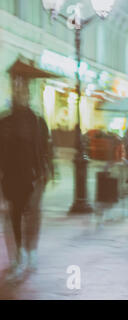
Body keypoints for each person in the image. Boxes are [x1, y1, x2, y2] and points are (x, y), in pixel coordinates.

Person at [0, 69, 53, 280]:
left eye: (22, 88)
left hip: (33, 177)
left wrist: (46, 171)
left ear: (28, 93)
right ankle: (18, 256)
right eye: (16, 87)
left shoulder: (37, 121)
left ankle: (30, 251)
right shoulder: (4, 121)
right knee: (13, 216)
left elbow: (45, 149)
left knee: (32, 216)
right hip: (10, 177)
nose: (19, 91)